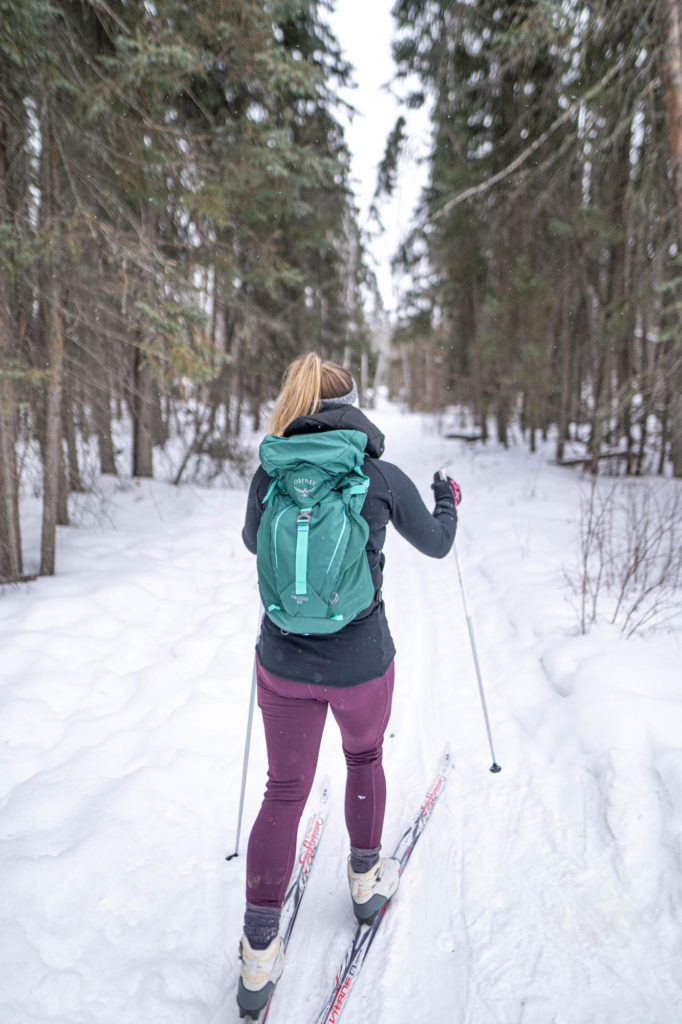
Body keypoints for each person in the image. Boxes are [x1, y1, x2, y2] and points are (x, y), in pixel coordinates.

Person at [237, 352, 460, 1019]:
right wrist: (446, 501)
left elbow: (255, 544)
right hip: (361, 659)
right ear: (350, 405)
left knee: (284, 790)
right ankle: (366, 882)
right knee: (364, 757)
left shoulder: (270, 471)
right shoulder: (377, 474)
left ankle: (257, 957)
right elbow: (437, 545)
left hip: (282, 663)